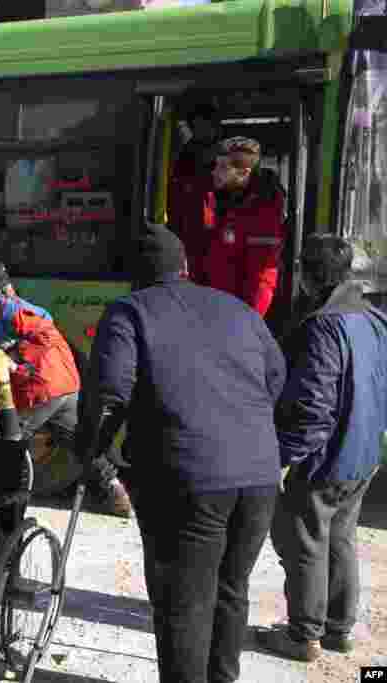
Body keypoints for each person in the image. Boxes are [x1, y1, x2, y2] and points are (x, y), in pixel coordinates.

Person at [78, 223, 286, 683]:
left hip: (187, 478)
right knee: (231, 589)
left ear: (134, 275)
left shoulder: (130, 311)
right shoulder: (237, 308)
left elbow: (110, 394)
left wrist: (93, 452)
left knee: (184, 605)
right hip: (259, 476)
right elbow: (276, 378)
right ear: (186, 266)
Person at [256, 235, 385, 662]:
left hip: (326, 458)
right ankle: (337, 629)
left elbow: (314, 406)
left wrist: (283, 458)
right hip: (363, 453)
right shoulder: (373, 318)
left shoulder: (323, 327)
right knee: (340, 538)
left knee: (305, 541)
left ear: (308, 277)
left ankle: (303, 636)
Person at [0, 262, 133, 517]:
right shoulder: (25, 308)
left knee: (6, 443)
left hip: (40, 388)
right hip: (66, 384)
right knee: (81, 443)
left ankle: (4, 507)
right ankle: (116, 494)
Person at [200, 137, 287, 318]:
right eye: (216, 166)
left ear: (244, 172)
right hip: (213, 305)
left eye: (223, 167)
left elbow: (262, 282)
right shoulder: (221, 199)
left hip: (233, 316)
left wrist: (247, 323)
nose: (215, 172)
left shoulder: (263, 212)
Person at [167, 101, 223, 280]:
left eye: (205, 126)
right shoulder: (184, 155)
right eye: (197, 127)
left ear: (214, 126)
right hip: (187, 231)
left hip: (216, 232)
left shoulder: (226, 156)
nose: (201, 131)